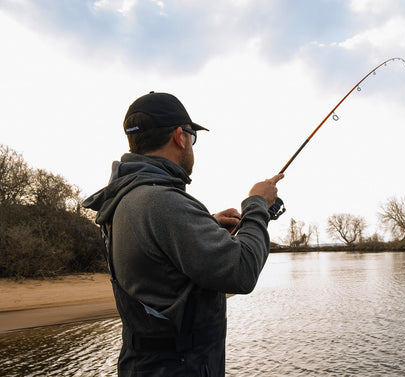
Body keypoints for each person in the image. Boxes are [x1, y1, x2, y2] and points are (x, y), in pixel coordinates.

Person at [83, 91, 283, 376]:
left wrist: (207, 225)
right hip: (178, 368)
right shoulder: (161, 201)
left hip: (145, 365)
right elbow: (242, 271)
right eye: (192, 136)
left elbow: (153, 252)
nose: (191, 144)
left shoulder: (124, 197)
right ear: (180, 136)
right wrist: (257, 204)